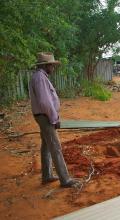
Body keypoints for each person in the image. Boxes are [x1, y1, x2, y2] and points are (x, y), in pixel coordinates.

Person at [29, 52, 80, 188]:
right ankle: (65, 180)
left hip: (42, 116)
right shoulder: (40, 78)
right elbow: (45, 102)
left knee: (46, 145)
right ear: (46, 65)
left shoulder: (40, 76)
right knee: (55, 147)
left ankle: (47, 176)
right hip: (45, 117)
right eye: (52, 65)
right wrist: (54, 118)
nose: (53, 68)